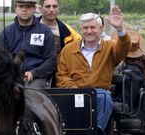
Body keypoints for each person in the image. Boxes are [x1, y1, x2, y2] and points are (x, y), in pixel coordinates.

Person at [56, 6, 131, 135]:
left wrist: (120, 29)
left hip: (99, 93)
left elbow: (123, 49)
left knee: (104, 96)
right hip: (74, 92)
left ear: (101, 29)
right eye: (85, 28)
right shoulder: (68, 50)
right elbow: (61, 75)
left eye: (92, 27)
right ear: (81, 29)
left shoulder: (110, 47)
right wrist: (72, 88)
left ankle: (96, 132)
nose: (89, 31)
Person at [0, 0, 57, 89]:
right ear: (15, 9)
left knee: (31, 96)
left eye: (28, 6)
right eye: (21, 7)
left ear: (34, 9)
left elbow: (51, 60)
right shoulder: (6, 32)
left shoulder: (45, 31)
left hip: (37, 78)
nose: (24, 10)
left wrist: (34, 73)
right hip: (11, 77)